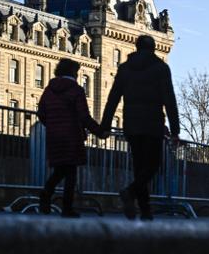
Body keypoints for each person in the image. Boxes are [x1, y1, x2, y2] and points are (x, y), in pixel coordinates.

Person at [100, 35, 180, 220]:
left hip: (131, 123)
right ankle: (131, 193)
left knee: (139, 166)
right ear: (153, 48)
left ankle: (145, 210)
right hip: (152, 123)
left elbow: (113, 98)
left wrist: (105, 125)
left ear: (136, 47)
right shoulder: (161, 68)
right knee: (153, 165)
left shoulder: (125, 68)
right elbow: (169, 99)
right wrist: (175, 130)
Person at [36, 58, 104, 217]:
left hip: (54, 136)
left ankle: (46, 194)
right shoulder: (76, 90)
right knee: (70, 172)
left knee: (60, 169)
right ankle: (66, 208)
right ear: (73, 72)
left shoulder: (49, 90)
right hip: (72, 136)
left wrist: (52, 125)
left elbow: (41, 113)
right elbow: (84, 116)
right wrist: (99, 132)